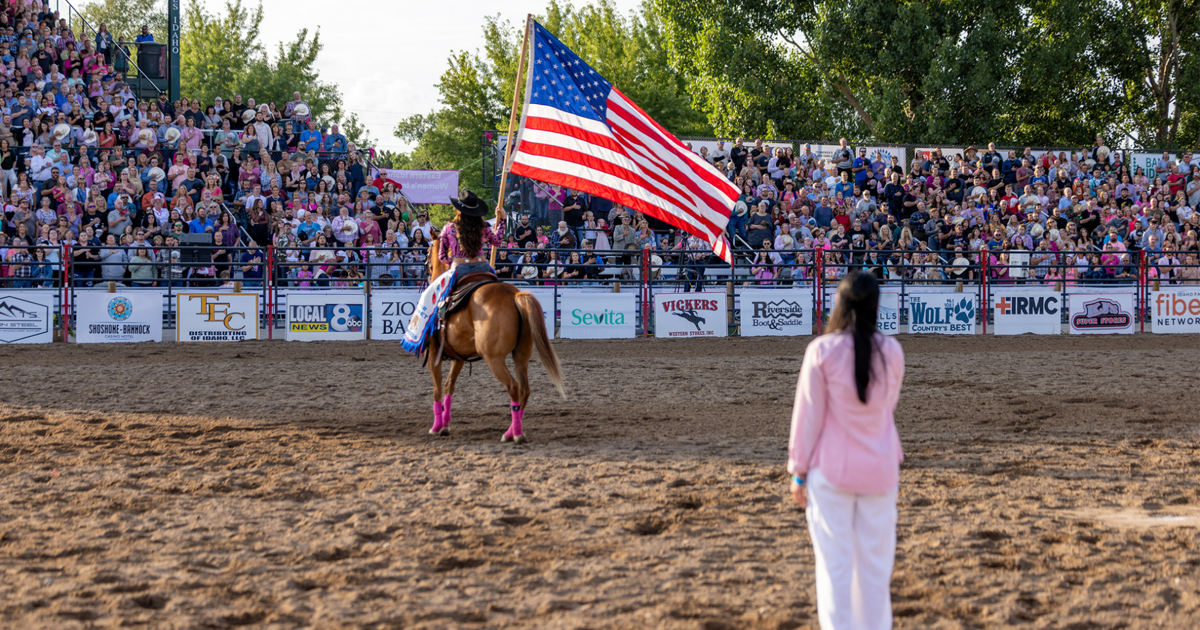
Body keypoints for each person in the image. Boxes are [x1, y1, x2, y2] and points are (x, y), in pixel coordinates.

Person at [789, 271, 905, 630]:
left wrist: (798, 470)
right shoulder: (892, 351)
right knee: (875, 568)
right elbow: (887, 408)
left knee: (834, 567)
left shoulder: (822, 350)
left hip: (832, 471)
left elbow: (808, 417)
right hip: (880, 469)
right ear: (876, 306)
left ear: (839, 304)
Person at [401, 190, 503, 359]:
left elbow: (442, 257)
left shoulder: (449, 228)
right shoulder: (483, 226)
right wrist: (503, 220)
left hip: (460, 269)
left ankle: (419, 336)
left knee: (428, 295)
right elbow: (497, 241)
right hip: (484, 267)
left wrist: (455, 261)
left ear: (458, 209)